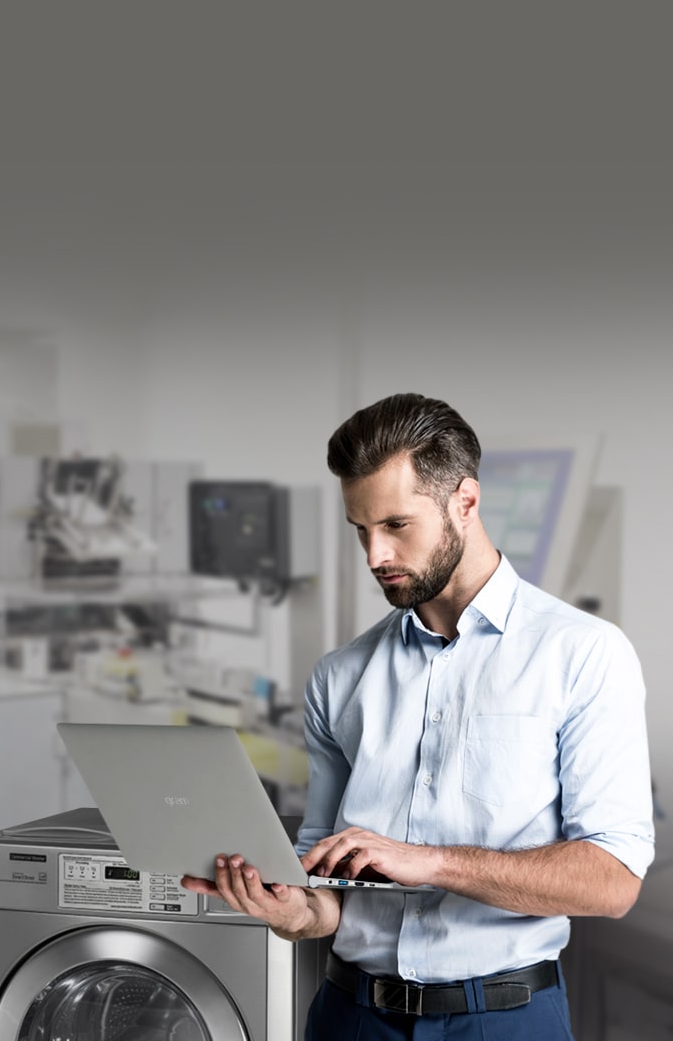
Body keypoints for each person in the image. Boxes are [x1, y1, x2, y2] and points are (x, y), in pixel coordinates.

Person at [182, 393, 655, 1039]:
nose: (375, 555)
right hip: (350, 1017)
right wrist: (295, 911)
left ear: (466, 501)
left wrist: (429, 862)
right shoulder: (340, 676)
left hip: (506, 1018)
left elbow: (613, 881)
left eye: (396, 525)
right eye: (360, 529)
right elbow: (326, 891)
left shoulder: (582, 654)